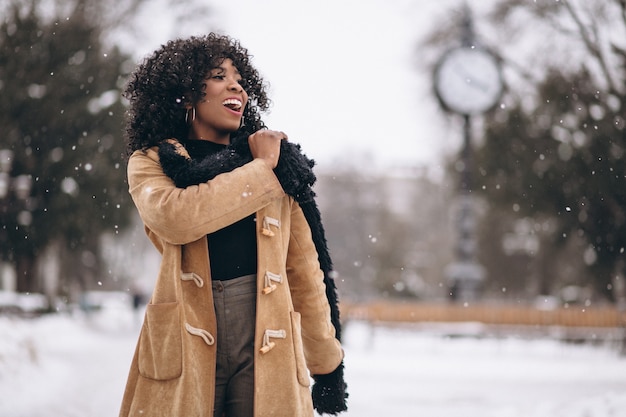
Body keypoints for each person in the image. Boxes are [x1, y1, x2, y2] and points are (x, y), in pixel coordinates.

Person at [119, 33, 348, 417]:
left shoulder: (281, 167)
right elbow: (177, 218)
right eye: (217, 75)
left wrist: (326, 361)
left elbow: (304, 270)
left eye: (240, 78)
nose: (235, 85)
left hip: (265, 330)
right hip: (183, 333)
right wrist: (260, 169)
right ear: (186, 94)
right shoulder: (153, 162)